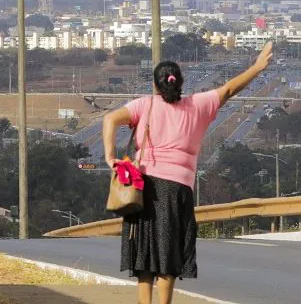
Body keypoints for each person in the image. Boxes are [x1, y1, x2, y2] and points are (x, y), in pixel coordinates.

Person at [102, 42, 273, 304]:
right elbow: (229, 88)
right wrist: (258, 67)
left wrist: (110, 157)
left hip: (144, 186)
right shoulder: (198, 105)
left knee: (144, 253)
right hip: (178, 190)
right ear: (180, 82)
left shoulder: (143, 105)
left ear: (156, 86)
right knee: (168, 253)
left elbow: (109, 119)